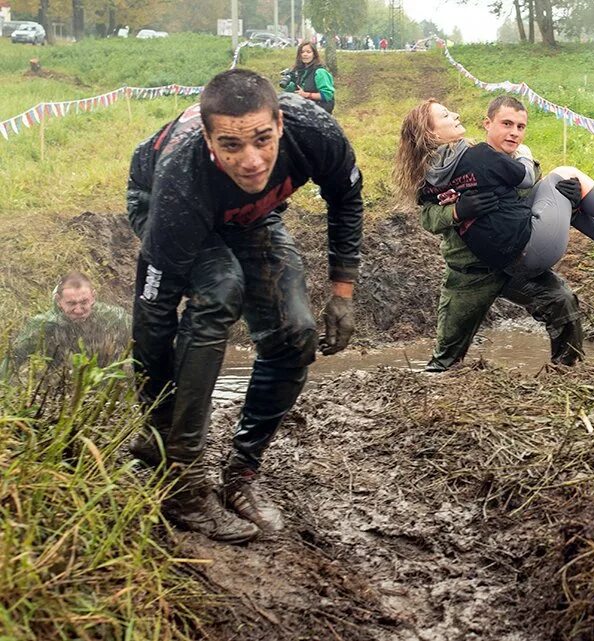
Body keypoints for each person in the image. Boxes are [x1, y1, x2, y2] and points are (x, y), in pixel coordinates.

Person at [125, 69, 363, 544]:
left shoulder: (316, 132)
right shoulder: (182, 175)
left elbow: (346, 197)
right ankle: (183, 485)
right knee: (220, 290)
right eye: (231, 146)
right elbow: (154, 314)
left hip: (252, 216)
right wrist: (156, 424)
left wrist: (342, 293)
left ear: (279, 122)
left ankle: (242, 473)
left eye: (262, 139)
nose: (252, 161)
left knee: (296, 334)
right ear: (211, 141)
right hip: (166, 205)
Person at [395, 96, 594, 372]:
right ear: (488, 125)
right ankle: (438, 380)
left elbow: (530, 200)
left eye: (520, 126)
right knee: (446, 355)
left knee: (562, 301)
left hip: (516, 257)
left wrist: (571, 198)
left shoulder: (517, 161)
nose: (514, 132)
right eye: (506, 124)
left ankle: (566, 372)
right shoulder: (450, 165)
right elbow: (428, 217)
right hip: (471, 270)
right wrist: (457, 211)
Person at [2, 271, 131, 377]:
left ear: (93, 297)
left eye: (84, 302)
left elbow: (143, 339)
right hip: (63, 387)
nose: (79, 310)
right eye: (71, 304)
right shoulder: (44, 324)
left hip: (107, 384)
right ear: (59, 301)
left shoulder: (114, 317)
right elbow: (13, 359)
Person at [281, 42, 335, 114]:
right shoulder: (299, 71)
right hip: (304, 111)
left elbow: (327, 95)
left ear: (314, 54)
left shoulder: (320, 72)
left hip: (319, 114)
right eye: (302, 52)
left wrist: (306, 94)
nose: (305, 54)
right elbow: (290, 91)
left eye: (308, 52)